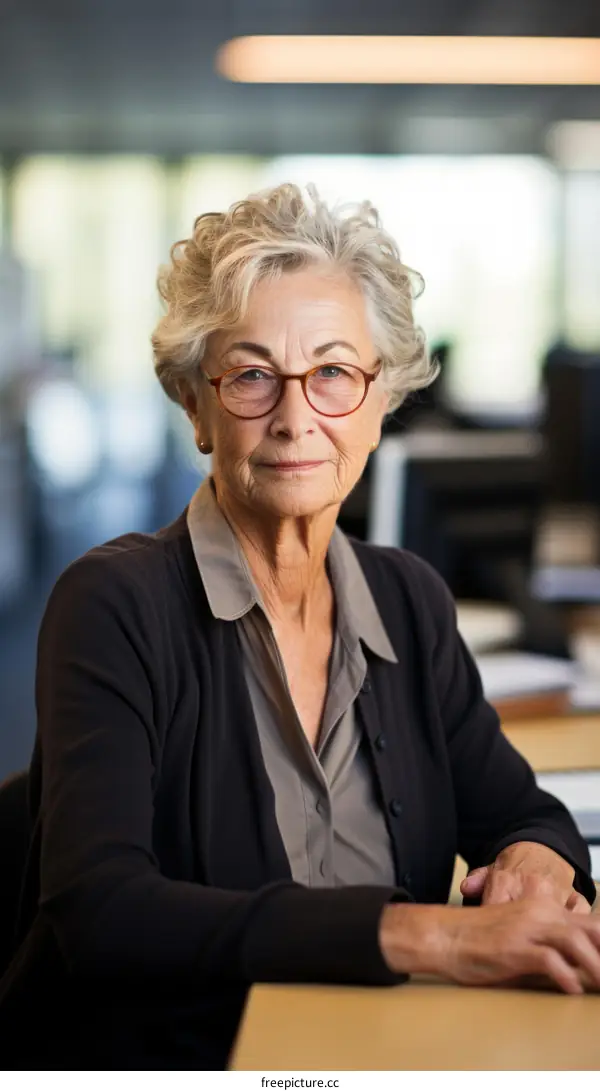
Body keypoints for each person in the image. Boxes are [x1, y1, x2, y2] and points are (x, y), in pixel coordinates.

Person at [0, 184, 598, 1071]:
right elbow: (101, 910)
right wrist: (431, 938)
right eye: (249, 375)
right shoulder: (113, 604)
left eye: (332, 372)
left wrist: (535, 865)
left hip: (370, 1052)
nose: (294, 417)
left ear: (378, 400)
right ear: (194, 407)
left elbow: (527, 812)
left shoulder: (409, 601)